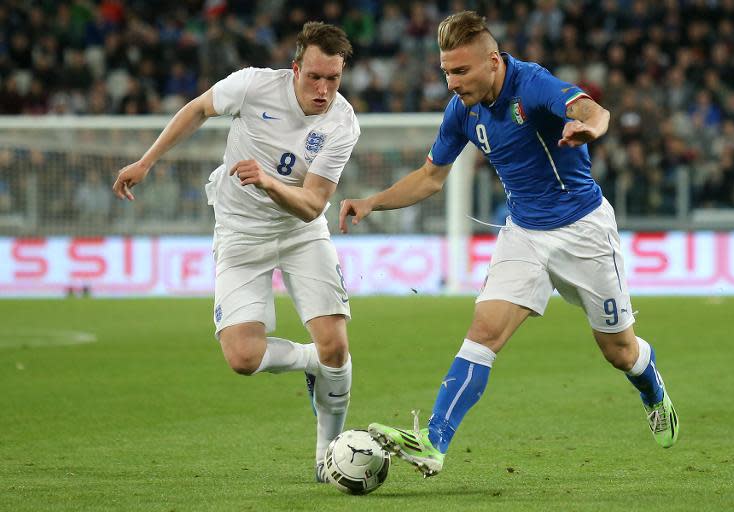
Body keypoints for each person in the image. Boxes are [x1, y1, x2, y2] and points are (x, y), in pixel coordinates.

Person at [339, 11, 678, 477]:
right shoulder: (461, 111)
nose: (452, 82)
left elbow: (591, 109)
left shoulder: (532, 84)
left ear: (493, 61)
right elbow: (430, 178)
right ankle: (434, 441)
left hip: (583, 232)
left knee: (618, 351)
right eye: (446, 72)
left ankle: (650, 383)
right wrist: (372, 202)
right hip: (523, 234)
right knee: (484, 332)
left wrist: (590, 128)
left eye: (461, 71)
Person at [113, 22, 359, 483]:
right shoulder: (252, 85)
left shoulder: (342, 124)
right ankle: (309, 363)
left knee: (337, 345)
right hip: (240, 234)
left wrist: (268, 182)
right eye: (314, 77)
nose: (323, 90)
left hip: (300, 233)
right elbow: (198, 108)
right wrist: (146, 161)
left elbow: (310, 207)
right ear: (295, 69)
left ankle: (329, 453)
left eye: (334, 79)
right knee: (243, 358)